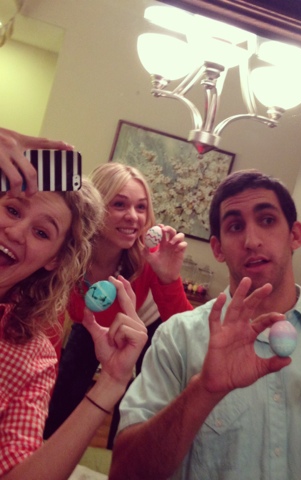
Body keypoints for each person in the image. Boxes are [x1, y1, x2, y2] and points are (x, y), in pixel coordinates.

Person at [110, 169, 301, 480]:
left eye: (267, 220)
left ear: (295, 235)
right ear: (217, 248)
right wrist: (204, 389)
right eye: (235, 226)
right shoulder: (177, 338)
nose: (252, 241)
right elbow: (124, 473)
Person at [0, 128, 148, 479]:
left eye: (42, 232)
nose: (17, 232)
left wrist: (112, 382)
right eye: (12, 210)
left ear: (55, 258)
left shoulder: (29, 356)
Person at [44, 162, 193, 443]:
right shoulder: (67, 256)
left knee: (136, 406)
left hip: (148, 327)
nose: (133, 217)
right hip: (91, 326)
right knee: (62, 393)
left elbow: (186, 331)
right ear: (95, 207)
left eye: (141, 207)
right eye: (120, 204)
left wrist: (169, 277)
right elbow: (49, 336)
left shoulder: (150, 257)